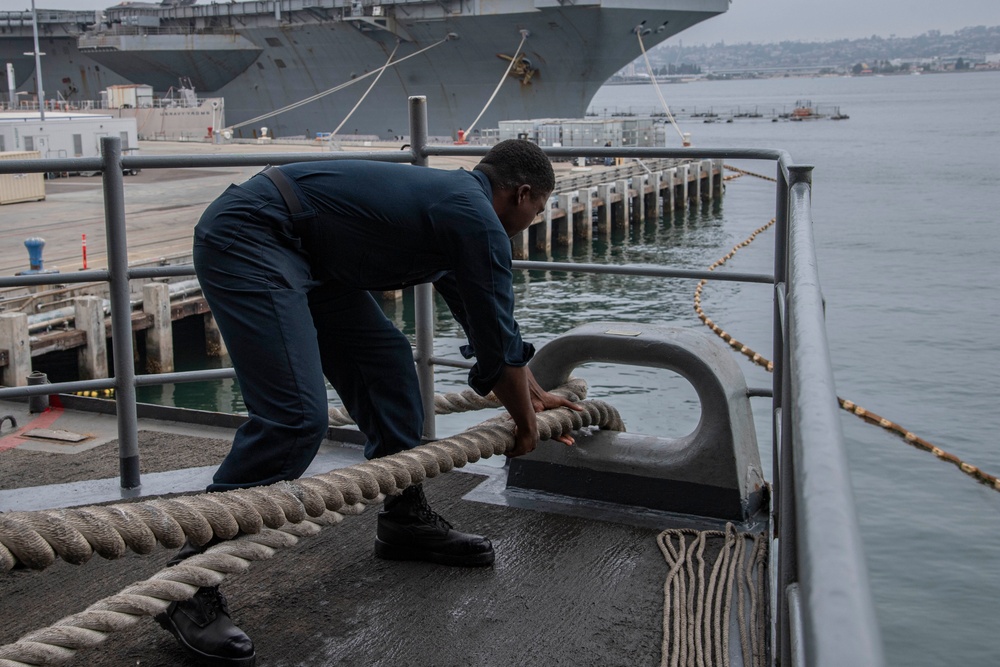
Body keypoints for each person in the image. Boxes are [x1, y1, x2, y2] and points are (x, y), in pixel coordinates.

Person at [155, 140, 581, 666]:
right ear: (521, 194)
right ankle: (189, 580)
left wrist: (531, 395)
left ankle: (405, 519)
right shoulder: (476, 219)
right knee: (294, 419)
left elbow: (492, 333)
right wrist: (524, 428)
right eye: (536, 211)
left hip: (315, 252)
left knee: (387, 366)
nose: (532, 221)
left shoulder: (454, 207)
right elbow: (497, 341)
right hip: (254, 234)